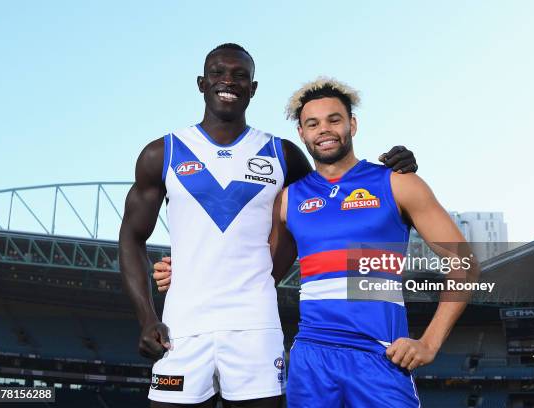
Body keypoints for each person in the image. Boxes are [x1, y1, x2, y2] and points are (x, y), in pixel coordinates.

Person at [119, 44, 418, 408]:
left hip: (255, 325)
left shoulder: (283, 154)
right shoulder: (161, 153)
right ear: (201, 82)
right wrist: (146, 316)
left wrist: (390, 172)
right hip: (182, 326)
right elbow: (131, 238)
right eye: (217, 72)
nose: (228, 81)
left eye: (240, 75)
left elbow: (331, 196)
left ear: (253, 87)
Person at [154, 77, 476, 407]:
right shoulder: (288, 199)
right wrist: (189, 270)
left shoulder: (397, 184)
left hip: (381, 355)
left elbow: (464, 264)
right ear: (302, 133)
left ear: (352, 124)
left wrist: (429, 343)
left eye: (334, 120)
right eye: (313, 123)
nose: (324, 129)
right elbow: (251, 266)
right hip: (311, 360)